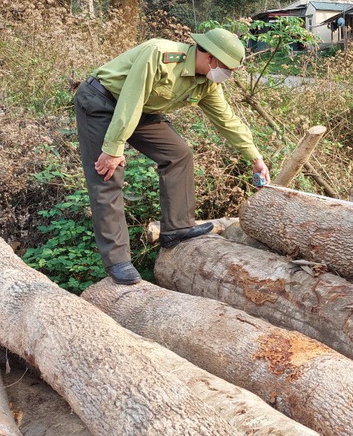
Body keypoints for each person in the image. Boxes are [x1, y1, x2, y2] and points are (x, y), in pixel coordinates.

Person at [74, 28, 270, 285]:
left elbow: (226, 120)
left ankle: (176, 229)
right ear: (210, 58)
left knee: (178, 154)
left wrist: (255, 158)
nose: (229, 75)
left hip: (141, 111)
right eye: (227, 68)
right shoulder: (160, 54)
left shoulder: (206, 82)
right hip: (101, 101)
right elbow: (130, 101)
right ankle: (118, 261)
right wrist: (113, 149)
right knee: (107, 175)